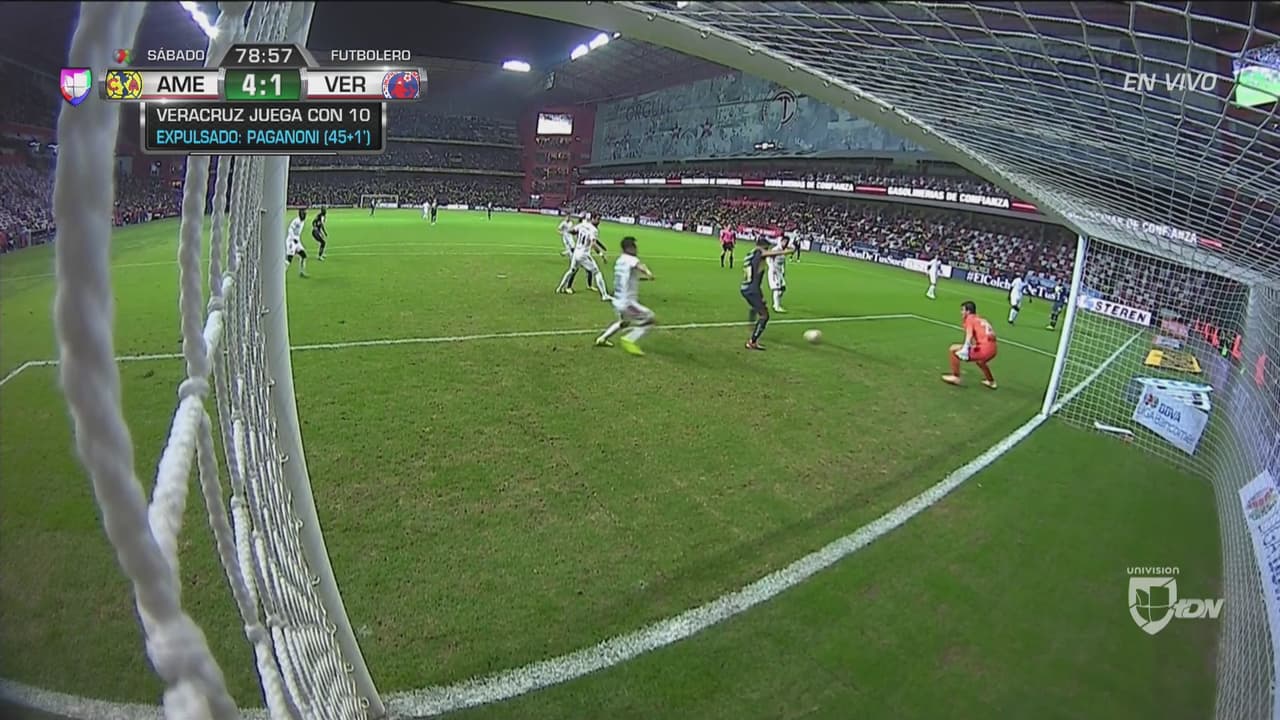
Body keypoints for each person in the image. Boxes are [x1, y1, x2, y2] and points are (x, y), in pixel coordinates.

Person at [595, 236, 655, 355]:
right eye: (635, 246)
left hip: (618, 299)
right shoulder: (631, 259)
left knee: (624, 322)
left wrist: (640, 278)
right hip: (627, 303)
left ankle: (602, 339)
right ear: (629, 248)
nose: (636, 249)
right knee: (650, 319)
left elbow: (627, 276)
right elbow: (639, 266)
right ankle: (629, 339)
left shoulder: (620, 260)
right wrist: (648, 273)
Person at [741, 237, 791, 351]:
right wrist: (787, 251)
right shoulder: (759, 252)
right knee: (764, 315)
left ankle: (752, 321)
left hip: (745, 287)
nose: (767, 249)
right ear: (762, 246)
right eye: (766, 247)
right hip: (752, 289)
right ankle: (752, 342)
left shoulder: (750, 254)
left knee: (760, 304)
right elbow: (769, 254)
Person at [943, 300, 998, 388]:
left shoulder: (970, 319)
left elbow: (969, 334)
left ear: (968, 311)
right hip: (993, 349)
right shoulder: (981, 319)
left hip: (984, 349)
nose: (961, 312)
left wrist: (965, 348)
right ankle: (991, 382)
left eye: (962, 310)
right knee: (980, 362)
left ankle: (955, 377)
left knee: (953, 349)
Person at [556, 217, 610, 301]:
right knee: (597, 272)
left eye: (599, 220)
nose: (599, 221)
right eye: (597, 219)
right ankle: (604, 295)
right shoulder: (594, 230)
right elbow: (593, 244)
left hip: (576, 252)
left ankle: (559, 288)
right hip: (584, 254)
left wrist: (568, 232)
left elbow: (572, 231)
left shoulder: (583, 224)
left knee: (571, 270)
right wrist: (601, 254)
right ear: (592, 219)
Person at [767, 236, 789, 313]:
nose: (785, 243)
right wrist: (772, 268)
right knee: (777, 288)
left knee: (783, 288)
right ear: (781, 241)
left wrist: (783, 270)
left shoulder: (784, 251)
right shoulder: (775, 249)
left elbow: (783, 262)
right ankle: (777, 306)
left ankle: (775, 304)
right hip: (774, 271)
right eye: (784, 241)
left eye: (786, 242)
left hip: (779, 272)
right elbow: (769, 258)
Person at [286, 208, 308, 278]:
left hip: (297, 241)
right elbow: (290, 229)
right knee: (289, 259)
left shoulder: (302, 222)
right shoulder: (296, 221)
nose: (305, 216)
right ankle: (282, 273)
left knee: (304, 255)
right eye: (304, 214)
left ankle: (302, 272)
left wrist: (296, 239)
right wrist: (293, 238)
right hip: (291, 241)